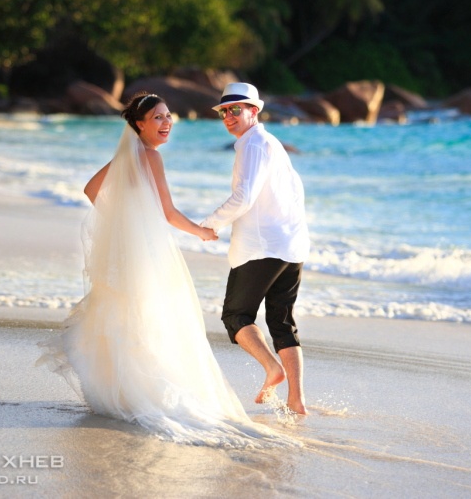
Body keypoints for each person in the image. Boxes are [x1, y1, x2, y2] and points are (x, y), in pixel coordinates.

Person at [37, 92, 296, 447]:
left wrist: (121, 221)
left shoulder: (126, 157)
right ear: (139, 124)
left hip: (127, 247)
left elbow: (91, 190)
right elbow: (169, 213)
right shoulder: (151, 157)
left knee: (124, 313)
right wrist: (203, 231)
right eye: (157, 117)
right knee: (155, 315)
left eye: (168, 116)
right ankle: (146, 391)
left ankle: (121, 389)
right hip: (147, 249)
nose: (166, 123)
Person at [201, 83, 311, 415]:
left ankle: (272, 368)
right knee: (282, 322)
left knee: (236, 316)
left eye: (236, 109)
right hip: (292, 247)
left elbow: (244, 197)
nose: (228, 116)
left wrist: (211, 223)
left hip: (262, 248)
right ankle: (296, 401)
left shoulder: (252, 144)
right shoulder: (272, 144)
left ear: (254, 111)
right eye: (224, 111)